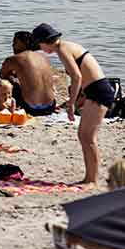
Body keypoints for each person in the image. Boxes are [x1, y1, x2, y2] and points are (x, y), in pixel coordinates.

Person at [33, 23, 114, 185]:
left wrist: (71, 103)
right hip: (94, 90)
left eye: (40, 44)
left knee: (88, 137)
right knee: (84, 135)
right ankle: (89, 177)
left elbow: (76, 77)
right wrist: (80, 97)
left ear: (45, 41)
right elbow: (83, 75)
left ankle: (92, 179)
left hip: (99, 91)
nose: (40, 49)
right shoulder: (66, 46)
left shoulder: (63, 50)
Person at [0, 31, 58, 116]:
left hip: (31, 109)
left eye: (15, 42)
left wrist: (13, 78)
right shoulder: (43, 57)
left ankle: (8, 106)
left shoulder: (13, 59)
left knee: (7, 83)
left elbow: (2, 75)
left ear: (24, 44)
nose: (12, 45)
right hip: (50, 106)